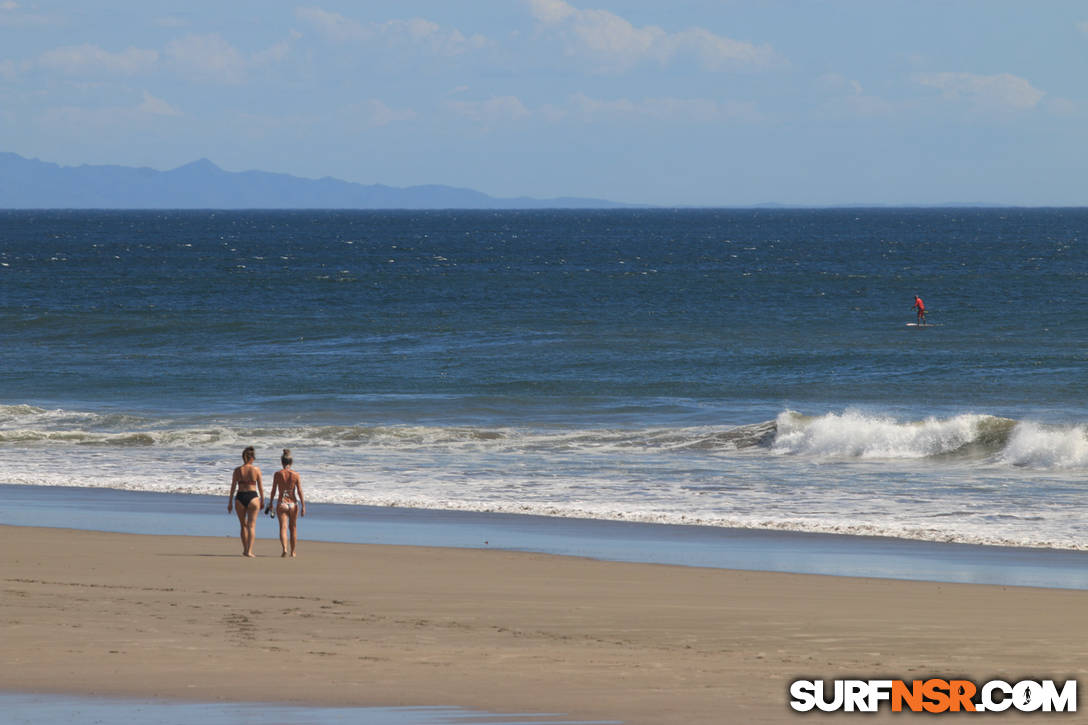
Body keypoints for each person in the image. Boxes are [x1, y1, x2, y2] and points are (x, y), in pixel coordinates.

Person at [265, 448, 305, 557]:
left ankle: (285, 549)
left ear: (282, 462)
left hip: (282, 503)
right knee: (293, 528)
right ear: (291, 462)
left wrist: (271, 503)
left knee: (283, 527)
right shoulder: (296, 475)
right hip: (293, 503)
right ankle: (293, 552)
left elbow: (273, 490)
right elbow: (300, 491)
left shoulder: (277, 474)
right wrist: (303, 505)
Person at [228, 446, 264, 557]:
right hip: (253, 497)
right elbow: (261, 487)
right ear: (252, 458)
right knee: (251, 526)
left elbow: (233, 487)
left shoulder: (237, 470)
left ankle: (245, 549)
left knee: (243, 525)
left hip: (240, 497)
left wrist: (230, 502)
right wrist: (262, 500)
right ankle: (249, 551)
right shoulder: (256, 470)